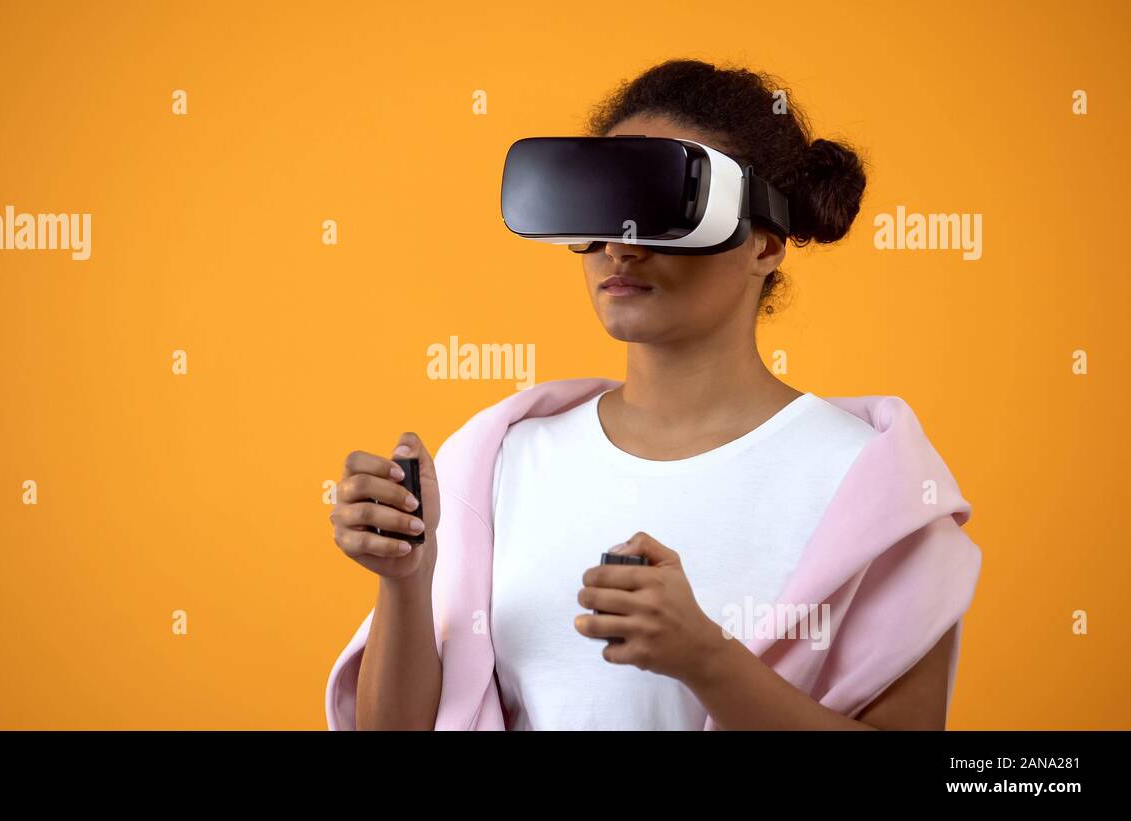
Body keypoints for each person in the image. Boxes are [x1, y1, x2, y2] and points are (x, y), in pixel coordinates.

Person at [325, 58, 981, 730]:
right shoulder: (499, 460)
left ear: (764, 243)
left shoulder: (875, 486)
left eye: (663, 208)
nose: (620, 245)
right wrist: (405, 582)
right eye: (597, 209)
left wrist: (707, 659)